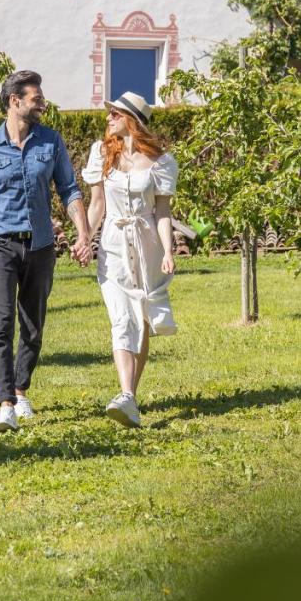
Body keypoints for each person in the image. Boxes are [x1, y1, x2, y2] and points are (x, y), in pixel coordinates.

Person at [0, 70, 93, 433]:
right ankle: (5, 405)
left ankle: (20, 389)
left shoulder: (50, 142)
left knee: (32, 326)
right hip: (0, 243)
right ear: (14, 101)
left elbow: (69, 189)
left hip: (40, 246)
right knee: (0, 325)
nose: (43, 103)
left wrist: (84, 234)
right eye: (36, 98)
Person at [81, 92, 178, 428]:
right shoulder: (102, 152)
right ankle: (125, 394)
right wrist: (85, 236)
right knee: (122, 317)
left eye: (115, 113)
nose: (108, 118)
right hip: (113, 244)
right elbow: (97, 205)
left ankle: (130, 398)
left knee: (143, 319)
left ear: (131, 120)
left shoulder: (161, 162)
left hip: (147, 244)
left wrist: (167, 250)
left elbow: (163, 212)